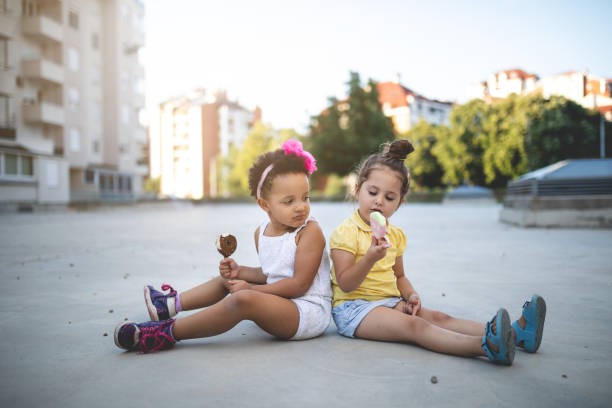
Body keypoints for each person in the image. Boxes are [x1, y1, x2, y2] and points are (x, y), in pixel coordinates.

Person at [329, 139, 546, 365]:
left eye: (389, 197)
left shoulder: (395, 235)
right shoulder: (346, 232)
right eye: (372, 192)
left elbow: (399, 276)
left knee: (440, 317)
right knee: (416, 326)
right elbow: (345, 283)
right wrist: (370, 258)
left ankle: (518, 334)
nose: (379, 202)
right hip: (354, 309)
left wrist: (411, 295)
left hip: (390, 301)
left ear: (399, 203)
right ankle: (488, 346)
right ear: (357, 190)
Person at [114, 140, 332, 353]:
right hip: (277, 302)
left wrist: (252, 290)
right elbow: (272, 274)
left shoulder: (309, 232)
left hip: (306, 312)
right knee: (230, 281)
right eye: (289, 201)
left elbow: (298, 285)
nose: (301, 207)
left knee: (243, 298)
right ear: (265, 205)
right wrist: (241, 273)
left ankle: (166, 333)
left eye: (305, 197)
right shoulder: (262, 231)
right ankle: (169, 305)